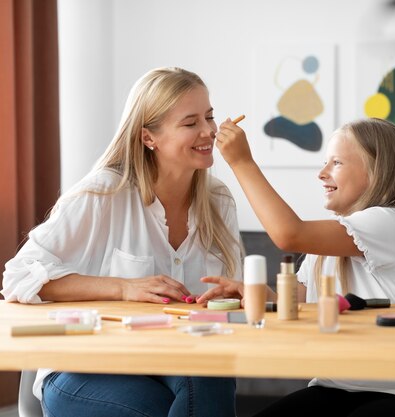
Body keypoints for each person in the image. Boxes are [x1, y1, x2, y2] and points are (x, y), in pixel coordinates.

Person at [1, 67, 243, 417]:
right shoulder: (104, 193)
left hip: (175, 358)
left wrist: (229, 296)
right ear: (149, 138)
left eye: (209, 116)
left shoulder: (218, 201)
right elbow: (18, 275)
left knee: (213, 378)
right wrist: (122, 288)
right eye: (191, 123)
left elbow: (224, 303)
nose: (209, 131)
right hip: (84, 366)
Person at [199, 117, 395, 417]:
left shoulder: (389, 222)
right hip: (332, 388)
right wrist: (257, 293)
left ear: (376, 172)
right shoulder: (326, 245)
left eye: (336, 163)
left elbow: (289, 234)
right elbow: (297, 306)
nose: (322, 173)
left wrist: (242, 162)